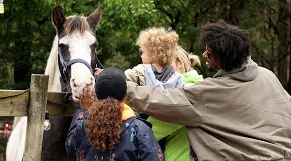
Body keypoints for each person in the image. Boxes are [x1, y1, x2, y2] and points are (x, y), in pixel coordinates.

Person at [126, 21, 291, 160]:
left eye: (209, 53)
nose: (204, 54)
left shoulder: (210, 92)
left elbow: (162, 101)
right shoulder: (268, 76)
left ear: (221, 59)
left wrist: (124, 86)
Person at [65, 67, 163, 161]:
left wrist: (84, 111)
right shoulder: (139, 129)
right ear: (125, 95)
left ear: (97, 95)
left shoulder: (84, 125)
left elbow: (70, 147)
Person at [124, 27, 189, 161]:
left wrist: (104, 74)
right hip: (164, 127)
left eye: (143, 52)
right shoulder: (177, 77)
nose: (141, 55)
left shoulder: (140, 71)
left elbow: (121, 81)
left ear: (153, 53)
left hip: (141, 125)